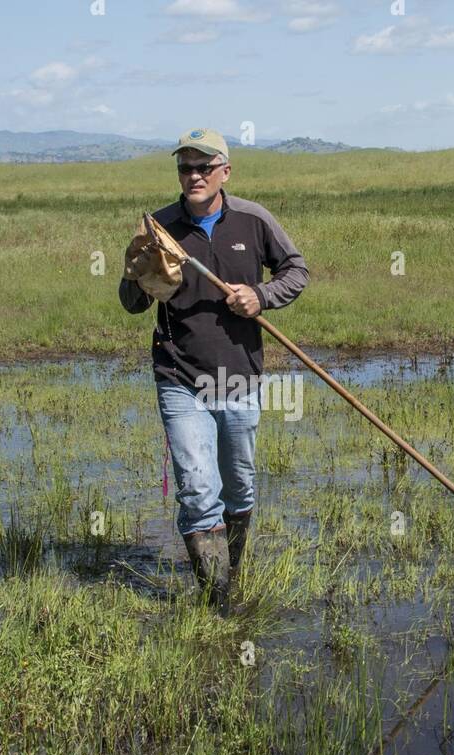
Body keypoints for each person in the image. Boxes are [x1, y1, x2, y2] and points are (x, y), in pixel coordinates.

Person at [118, 127, 308, 613]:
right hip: (180, 375)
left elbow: (296, 271)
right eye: (186, 167)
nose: (195, 175)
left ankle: (232, 574)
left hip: (239, 374)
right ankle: (218, 604)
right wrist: (140, 275)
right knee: (199, 490)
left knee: (238, 483)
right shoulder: (158, 228)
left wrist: (260, 296)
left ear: (225, 171)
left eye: (205, 166)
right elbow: (130, 303)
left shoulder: (252, 220)